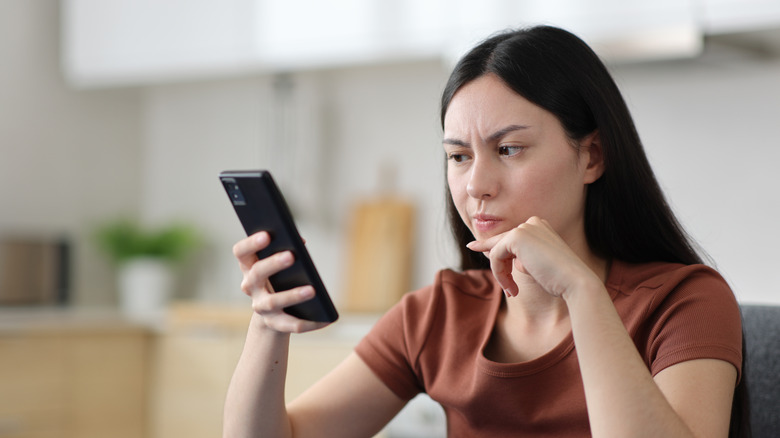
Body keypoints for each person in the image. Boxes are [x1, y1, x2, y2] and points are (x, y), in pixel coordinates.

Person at [224, 25, 748, 438]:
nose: (476, 184)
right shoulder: (440, 313)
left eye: (509, 149)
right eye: (458, 156)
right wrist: (268, 325)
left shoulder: (686, 303)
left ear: (591, 156)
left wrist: (581, 292)